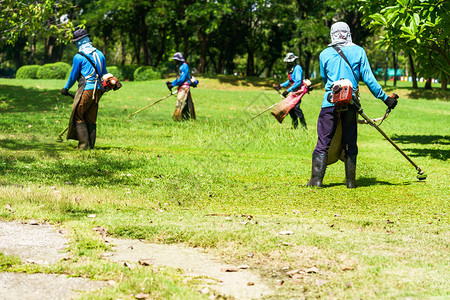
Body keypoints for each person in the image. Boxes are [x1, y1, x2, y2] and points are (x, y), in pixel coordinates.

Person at [307, 22, 398, 188]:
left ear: (332, 35)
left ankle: (316, 181)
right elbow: (369, 79)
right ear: (348, 34)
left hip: (329, 102)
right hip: (351, 103)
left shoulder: (324, 54)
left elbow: (325, 79)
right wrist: (386, 99)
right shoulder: (359, 52)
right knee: (350, 141)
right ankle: (350, 182)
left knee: (323, 141)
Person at [61, 29, 107, 150]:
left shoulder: (78, 57)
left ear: (80, 42)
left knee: (78, 115)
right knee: (91, 117)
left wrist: (66, 88)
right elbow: (104, 74)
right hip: (98, 90)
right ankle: (91, 146)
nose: (75, 45)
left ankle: (83, 146)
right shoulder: (100, 54)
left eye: (76, 42)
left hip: (86, 89)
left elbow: (73, 76)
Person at [274, 53, 307, 129]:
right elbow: (290, 81)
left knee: (296, 108)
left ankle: (304, 127)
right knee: (291, 109)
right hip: (293, 90)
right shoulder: (291, 69)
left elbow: (298, 82)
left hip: (298, 90)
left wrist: (288, 90)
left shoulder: (297, 68)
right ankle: (295, 126)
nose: (288, 63)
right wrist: (280, 85)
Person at [166, 52, 197, 121]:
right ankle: (185, 118)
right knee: (185, 103)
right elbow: (178, 79)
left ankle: (178, 119)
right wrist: (171, 83)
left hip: (184, 87)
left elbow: (182, 79)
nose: (175, 61)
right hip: (181, 87)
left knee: (180, 103)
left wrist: (173, 85)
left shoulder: (184, 66)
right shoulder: (179, 66)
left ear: (179, 60)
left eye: (176, 60)